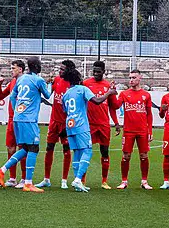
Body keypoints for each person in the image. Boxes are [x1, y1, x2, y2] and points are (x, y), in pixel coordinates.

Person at [0, 57, 50, 193]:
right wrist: (51, 85)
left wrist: (17, 109)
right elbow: (47, 95)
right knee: (34, 148)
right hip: (28, 119)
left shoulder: (21, 79)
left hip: (17, 118)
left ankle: (2, 170)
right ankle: (28, 183)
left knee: (24, 148)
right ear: (37, 66)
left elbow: (13, 97)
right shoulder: (38, 80)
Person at [62, 68, 115, 192]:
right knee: (87, 150)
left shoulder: (66, 94)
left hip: (70, 125)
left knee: (77, 153)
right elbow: (97, 101)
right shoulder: (83, 89)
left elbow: (65, 110)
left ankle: (78, 184)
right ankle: (78, 179)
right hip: (81, 125)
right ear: (78, 79)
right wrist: (109, 93)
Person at [36, 60, 75, 189]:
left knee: (66, 149)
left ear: (69, 71)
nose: (60, 71)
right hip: (54, 121)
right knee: (49, 148)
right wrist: (46, 84)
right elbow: (48, 94)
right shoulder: (57, 80)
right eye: (60, 69)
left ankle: (64, 180)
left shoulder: (73, 84)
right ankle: (46, 179)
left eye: (63, 69)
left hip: (67, 123)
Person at [111, 70, 153, 190]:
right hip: (129, 130)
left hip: (142, 131)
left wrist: (150, 131)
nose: (131, 80)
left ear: (140, 78)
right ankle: (124, 181)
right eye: (130, 78)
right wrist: (113, 93)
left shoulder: (146, 95)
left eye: (134, 77)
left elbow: (149, 114)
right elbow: (115, 106)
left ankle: (144, 181)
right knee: (126, 155)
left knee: (144, 155)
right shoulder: (124, 94)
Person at [83, 61, 120, 189]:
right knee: (86, 151)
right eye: (94, 71)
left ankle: (104, 181)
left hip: (104, 124)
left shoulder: (107, 85)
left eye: (98, 71)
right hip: (89, 124)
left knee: (104, 152)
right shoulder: (86, 83)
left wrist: (116, 123)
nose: (96, 73)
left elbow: (113, 106)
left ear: (104, 72)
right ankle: (82, 180)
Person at [0, 60, 27, 188]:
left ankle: (25, 179)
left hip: (22, 119)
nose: (11, 70)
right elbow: (1, 97)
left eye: (13, 68)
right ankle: (12, 178)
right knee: (10, 148)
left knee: (23, 148)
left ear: (20, 69)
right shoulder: (12, 82)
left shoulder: (26, 82)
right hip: (11, 119)